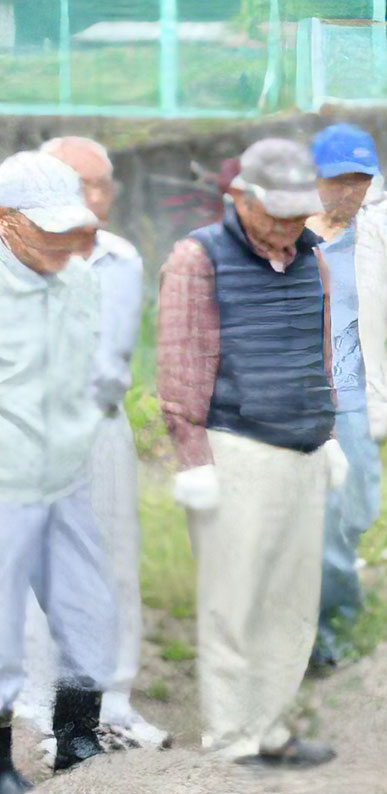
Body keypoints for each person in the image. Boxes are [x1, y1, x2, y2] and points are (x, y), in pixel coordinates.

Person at [156, 138, 347, 767]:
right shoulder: (197, 258)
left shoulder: (312, 260)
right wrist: (193, 458)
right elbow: (182, 362)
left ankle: (268, 726)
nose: (291, 226)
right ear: (240, 198)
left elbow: (321, 351)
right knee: (233, 602)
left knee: (291, 601)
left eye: (300, 213)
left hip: (303, 446)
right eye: (278, 213)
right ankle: (230, 740)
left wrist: (332, 434)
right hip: (235, 448)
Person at [16, 137, 170, 756]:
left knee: (111, 564)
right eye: (82, 185)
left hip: (99, 430)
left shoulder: (122, 259)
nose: (97, 197)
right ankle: (34, 705)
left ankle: (112, 702)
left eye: (105, 183)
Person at [0, 151, 112, 794]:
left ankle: (78, 736)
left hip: (66, 475)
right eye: (46, 229)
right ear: (6, 222)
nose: (63, 243)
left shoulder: (79, 280)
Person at [305, 123, 387, 668]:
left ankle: (332, 607)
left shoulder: (377, 237)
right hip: (309, 400)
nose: (350, 192)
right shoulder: (289, 239)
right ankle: (326, 635)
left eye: (361, 180)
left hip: (361, 398)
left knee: (358, 512)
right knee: (325, 522)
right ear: (314, 179)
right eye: (339, 180)